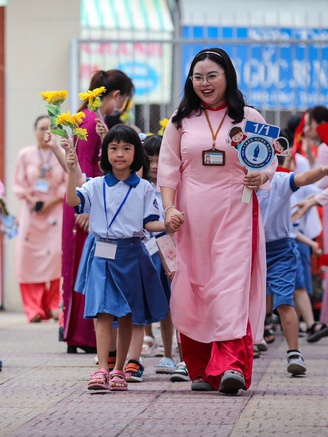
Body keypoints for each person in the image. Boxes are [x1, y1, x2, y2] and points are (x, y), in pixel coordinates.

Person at [158, 47, 278, 395]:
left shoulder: (249, 117)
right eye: (198, 77)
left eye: (212, 76)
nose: (205, 83)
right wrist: (168, 210)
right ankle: (199, 366)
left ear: (227, 77)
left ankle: (230, 367)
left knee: (230, 285)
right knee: (194, 286)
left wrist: (260, 177)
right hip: (191, 216)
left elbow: (267, 162)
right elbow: (168, 170)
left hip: (236, 211)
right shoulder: (181, 120)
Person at [65, 124, 179, 391]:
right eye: (113, 148)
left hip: (132, 253)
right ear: (105, 153)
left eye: (126, 148)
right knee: (103, 313)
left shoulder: (144, 189)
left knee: (127, 314)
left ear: (135, 153)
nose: (119, 154)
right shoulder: (94, 185)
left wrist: (168, 225)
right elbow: (73, 201)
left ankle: (119, 370)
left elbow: (150, 223)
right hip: (102, 254)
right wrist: (72, 170)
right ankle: (102, 368)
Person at [61, 69, 135, 353]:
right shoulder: (92, 120)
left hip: (90, 201)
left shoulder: (88, 118)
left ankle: (83, 335)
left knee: (87, 268)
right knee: (90, 270)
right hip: (89, 205)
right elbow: (80, 166)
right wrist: (88, 208)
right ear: (116, 96)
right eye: (124, 99)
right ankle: (86, 336)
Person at [258, 155, 328, 375]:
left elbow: (305, 177)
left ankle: (294, 353)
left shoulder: (280, 180)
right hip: (249, 250)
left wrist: (325, 169)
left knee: (284, 301)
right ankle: (248, 344)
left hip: (281, 250)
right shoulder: (237, 182)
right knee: (250, 302)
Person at [13, 115, 67, 323]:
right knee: (28, 258)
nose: (45, 132)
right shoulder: (25, 154)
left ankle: (54, 305)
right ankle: (34, 308)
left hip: (55, 211)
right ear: (34, 130)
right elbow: (19, 182)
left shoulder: (60, 153)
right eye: (41, 128)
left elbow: (66, 181)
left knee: (55, 255)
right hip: (31, 211)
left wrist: (51, 202)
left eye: (50, 128)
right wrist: (31, 198)